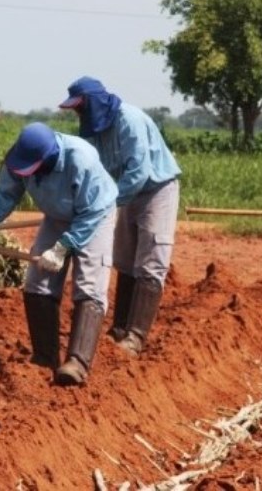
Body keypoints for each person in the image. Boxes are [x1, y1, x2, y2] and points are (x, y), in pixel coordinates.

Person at [0, 122, 117, 386]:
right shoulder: (19, 158)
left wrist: (63, 248)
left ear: (49, 157)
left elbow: (93, 211)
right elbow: (5, 196)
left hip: (94, 216)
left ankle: (77, 363)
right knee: (37, 282)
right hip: (56, 216)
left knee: (89, 284)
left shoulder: (81, 158)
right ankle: (45, 358)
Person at [59, 76, 181, 356]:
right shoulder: (91, 129)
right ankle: (119, 330)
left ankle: (135, 337)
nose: (78, 113)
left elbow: (138, 172)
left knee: (151, 260)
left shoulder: (130, 120)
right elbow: (92, 169)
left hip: (155, 189)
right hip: (124, 192)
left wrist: (106, 203)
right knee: (125, 260)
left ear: (94, 102)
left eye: (80, 107)